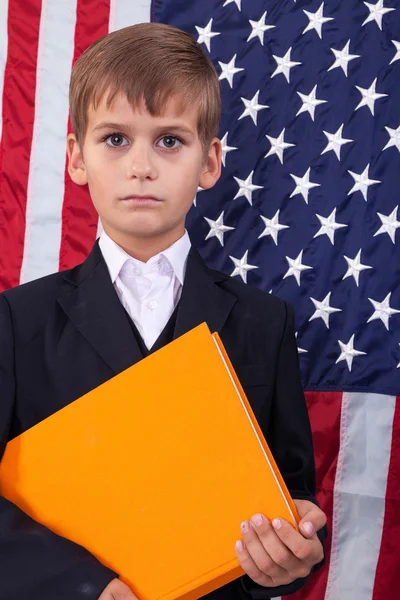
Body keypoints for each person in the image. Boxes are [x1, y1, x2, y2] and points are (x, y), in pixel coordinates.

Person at [0, 22, 327, 600]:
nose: (142, 166)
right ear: (76, 157)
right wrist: (84, 585)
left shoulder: (263, 321)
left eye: (170, 140)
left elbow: (288, 498)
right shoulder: (15, 321)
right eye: (116, 139)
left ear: (209, 161)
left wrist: (289, 558)